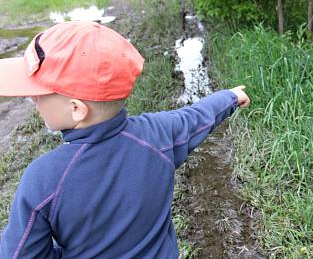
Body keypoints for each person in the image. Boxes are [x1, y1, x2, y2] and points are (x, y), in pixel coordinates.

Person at [0, 21, 250, 258]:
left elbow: (20, 254)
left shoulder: (43, 178)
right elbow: (196, 117)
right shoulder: (157, 135)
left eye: (38, 94)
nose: (32, 99)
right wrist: (230, 97)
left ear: (77, 108)